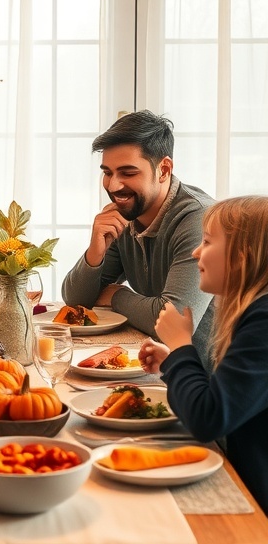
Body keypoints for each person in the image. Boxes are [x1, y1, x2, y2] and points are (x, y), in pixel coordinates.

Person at [138, 195, 268, 544]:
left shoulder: (264, 322)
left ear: (242, 257)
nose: (196, 251)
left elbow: (208, 418)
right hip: (252, 501)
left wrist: (179, 347)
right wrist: (176, 359)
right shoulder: (254, 313)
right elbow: (220, 396)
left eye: (208, 241)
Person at [61, 109, 215, 366]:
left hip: (211, 384)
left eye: (128, 173)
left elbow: (173, 322)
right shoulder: (127, 215)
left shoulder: (199, 220)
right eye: (107, 172)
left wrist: (116, 296)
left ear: (163, 169)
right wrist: (95, 253)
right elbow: (76, 301)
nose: (113, 186)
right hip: (162, 367)